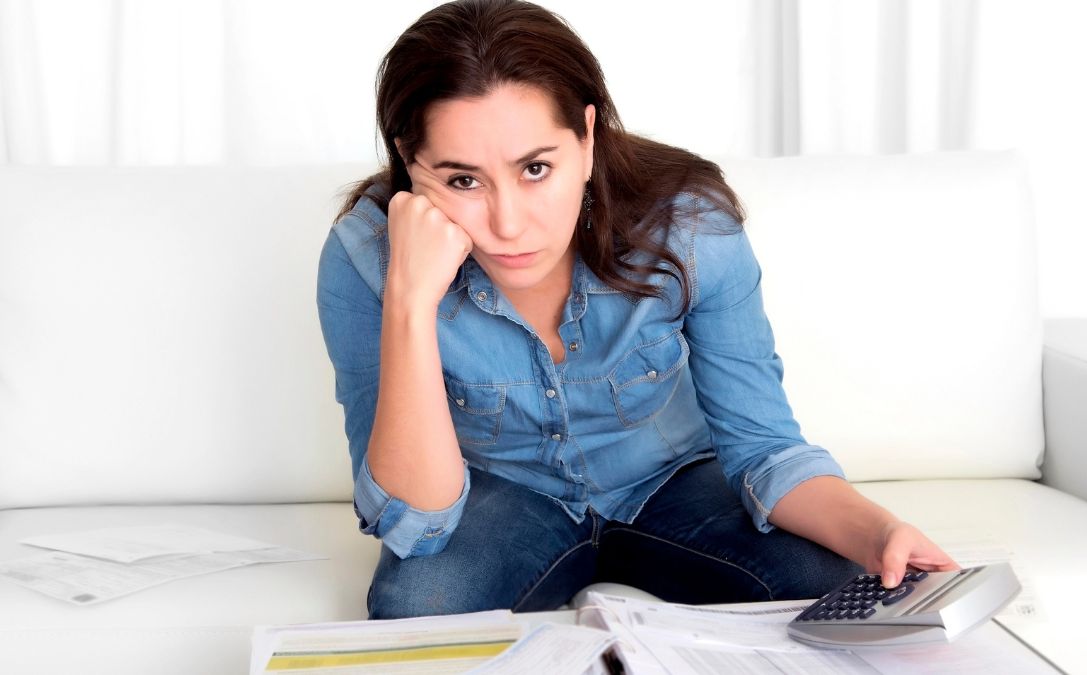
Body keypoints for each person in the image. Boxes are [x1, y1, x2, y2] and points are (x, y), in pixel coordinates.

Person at [316, 0, 958, 620]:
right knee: (416, 607)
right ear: (409, 161)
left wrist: (878, 532)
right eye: (462, 181)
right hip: (504, 499)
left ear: (588, 138)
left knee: (833, 579)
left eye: (536, 168)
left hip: (673, 483)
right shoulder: (363, 259)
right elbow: (416, 521)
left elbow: (764, 447)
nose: (508, 224)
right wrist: (409, 296)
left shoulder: (689, 226)